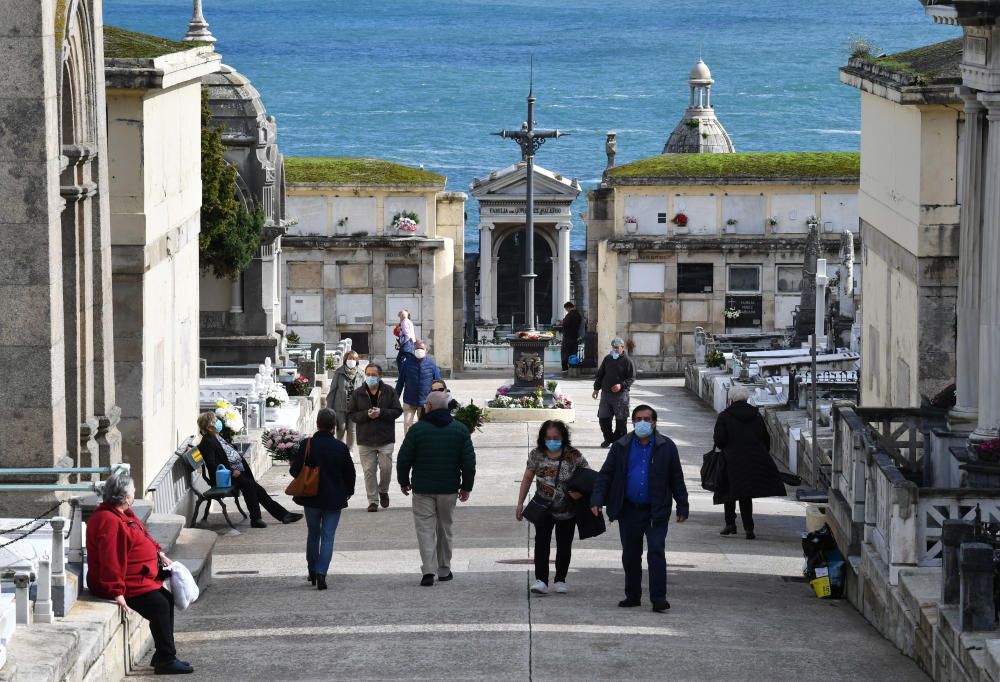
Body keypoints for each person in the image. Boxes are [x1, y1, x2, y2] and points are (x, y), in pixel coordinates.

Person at [87, 472, 192, 675]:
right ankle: (166, 659)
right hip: (127, 583)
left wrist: (158, 552)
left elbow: (142, 533)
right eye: (133, 491)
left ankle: (163, 654)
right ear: (126, 497)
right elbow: (111, 558)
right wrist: (116, 591)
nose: (135, 494)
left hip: (139, 578)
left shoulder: (122, 512)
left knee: (165, 599)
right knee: (160, 605)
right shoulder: (109, 520)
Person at [591, 405, 689, 613]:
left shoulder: (667, 446)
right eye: (638, 419)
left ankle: (659, 598)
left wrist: (683, 505)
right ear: (632, 422)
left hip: (656, 510)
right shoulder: (621, 446)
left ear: (654, 422)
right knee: (631, 554)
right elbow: (606, 474)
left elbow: (677, 478)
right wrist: (597, 499)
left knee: (656, 552)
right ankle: (632, 595)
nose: (642, 422)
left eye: (647, 419)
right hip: (629, 510)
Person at [397, 391, 476, 587]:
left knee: (425, 529)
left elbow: (404, 458)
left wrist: (403, 480)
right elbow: (469, 463)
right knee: (445, 528)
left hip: (423, 488)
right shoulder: (460, 430)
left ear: (429, 407)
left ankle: (428, 570)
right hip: (449, 489)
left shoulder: (417, 430)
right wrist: (466, 486)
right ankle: (444, 569)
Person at [516, 420, 589, 595]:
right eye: (548, 437)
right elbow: (527, 478)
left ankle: (561, 579)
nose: (552, 440)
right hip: (543, 507)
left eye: (556, 437)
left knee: (564, 545)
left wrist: (580, 493)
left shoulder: (574, 456)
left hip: (567, 509)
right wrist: (520, 503)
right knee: (541, 544)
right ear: (543, 438)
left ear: (563, 437)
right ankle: (541, 580)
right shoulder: (537, 455)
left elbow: (588, 478)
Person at [197, 412, 302, 528]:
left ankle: (282, 515)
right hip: (225, 477)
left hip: (236, 472)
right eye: (215, 420)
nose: (218, 422)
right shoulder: (207, 441)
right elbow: (212, 464)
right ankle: (257, 519)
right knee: (249, 486)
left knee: (259, 490)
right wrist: (231, 472)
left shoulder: (216, 436)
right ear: (210, 427)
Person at [290, 408, 357, 590]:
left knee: (313, 533)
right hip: (334, 498)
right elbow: (350, 473)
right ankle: (321, 572)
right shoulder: (341, 447)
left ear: (317, 424)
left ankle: (311, 569)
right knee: (328, 536)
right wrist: (348, 491)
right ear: (334, 426)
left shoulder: (307, 444)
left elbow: (294, 471)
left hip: (311, 497)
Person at [713, 385, 786, 540]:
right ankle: (749, 528)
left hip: (731, 458)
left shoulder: (724, 416)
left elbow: (720, 441)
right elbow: (766, 439)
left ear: (730, 399)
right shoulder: (756, 415)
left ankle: (730, 524)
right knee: (746, 493)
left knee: (729, 491)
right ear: (747, 398)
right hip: (752, 459)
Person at [347, 363, 403, 512]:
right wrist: (367, 415)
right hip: (365, 438)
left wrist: (381, 413)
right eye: (368, 374)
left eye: (373, 375)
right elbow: (351, 414)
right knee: (369, 471)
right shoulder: (357, 393)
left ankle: (383, 490)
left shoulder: (389, 391)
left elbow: (398, 411)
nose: (370, 377)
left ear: (380, 376)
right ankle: (372, 500)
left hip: (385, 437)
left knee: (386, 468)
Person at [592, 337, 635, 447]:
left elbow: (631, 378)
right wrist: (596, 389)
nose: (614, 350)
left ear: (622, 348)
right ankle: (608, 438)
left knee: (621, 421)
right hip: (606, 395)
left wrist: (621, 385)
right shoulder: (608, 359)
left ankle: (619, 442)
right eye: (613, 348)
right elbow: (600, 375)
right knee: (603, 418)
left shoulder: (627, 361)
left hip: (620, 396)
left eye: (617, 348)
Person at [395, 340, 440, 433]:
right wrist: (394, 399)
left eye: (421, 348)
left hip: (425, 403)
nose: (419, 350)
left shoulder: (431, 365)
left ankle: (422, 446)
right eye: (417, 348)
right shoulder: (406, 364)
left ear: (426, 350)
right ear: (413, 350)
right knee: (407, 427)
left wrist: (438, 400)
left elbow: (438, 383)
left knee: (424, 428)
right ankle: (409, 446)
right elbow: (400, 383)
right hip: (409, 401)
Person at [326, 350, 364, 452]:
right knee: (340, 428)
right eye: (349, 358)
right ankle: (339, 449)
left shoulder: (361, 373)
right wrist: (329, 408)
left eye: (353, 359)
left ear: (357, 361)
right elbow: (332, 391)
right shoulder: (339, 372)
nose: (351, 360)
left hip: (354, 408)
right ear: (345, 360)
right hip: (340, 407)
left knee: (352, 430)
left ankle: (349, 450)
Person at [559, 301, 583, 372]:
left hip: (567, 337)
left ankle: (565, 368)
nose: (566, 310)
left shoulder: (569, 315)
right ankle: (573, 366)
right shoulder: (578, 315)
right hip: (575, 337)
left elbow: (566, 325)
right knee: (573, 352)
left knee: (565, 352)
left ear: (568, 307)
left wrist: (562, 322)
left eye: (566, 309)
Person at [395, 309, 417, 374]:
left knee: (400, 360)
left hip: (407, 344)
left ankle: (404, 376)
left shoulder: (404, 322)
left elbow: (407, 335)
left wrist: (402, 343)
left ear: (402, 316)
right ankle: (408, 375)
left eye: (400, 316)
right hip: (410, 343)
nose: (399, 318)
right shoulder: (409, 322)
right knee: (408, 359)